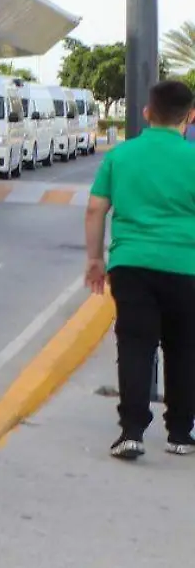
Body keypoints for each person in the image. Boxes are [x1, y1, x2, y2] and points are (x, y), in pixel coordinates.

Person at [85, 78, 195, 461]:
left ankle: (131, 433)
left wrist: (96, 260)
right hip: (186, 267)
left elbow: (96, 209)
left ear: (148, 113)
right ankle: (180, 434)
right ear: (190, 117)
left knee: (135, 345)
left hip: (131, 265)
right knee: (184, 348)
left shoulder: (120, 156)